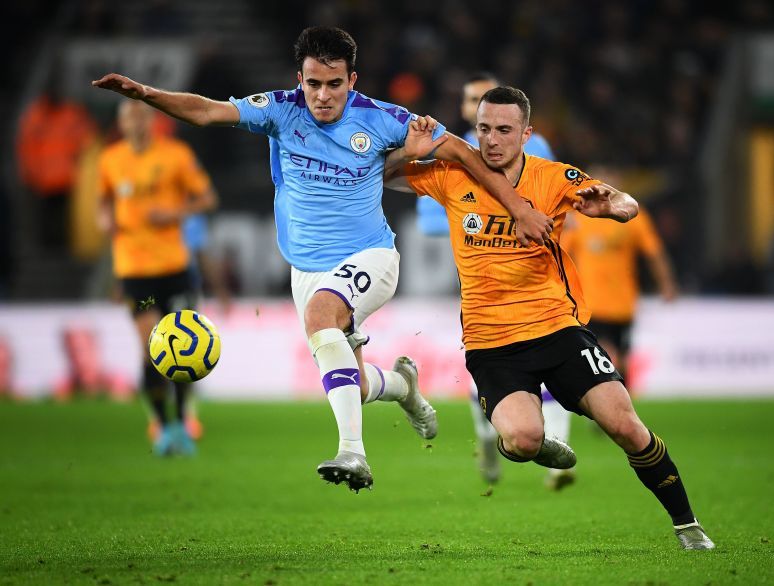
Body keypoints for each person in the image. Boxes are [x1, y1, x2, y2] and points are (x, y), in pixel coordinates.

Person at [92, 26, 556, 492]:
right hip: (307, 270)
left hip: (372, 257)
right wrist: (146, 93)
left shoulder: (384, 118)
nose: (322, 95)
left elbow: (460, 151)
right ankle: (402, 387)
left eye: (334, 84)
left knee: (321, 320)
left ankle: (352, 452)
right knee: (348, 377)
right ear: (300, 78)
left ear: (353, 79)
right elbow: (208, 111)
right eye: (313, 84)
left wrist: (516, 207)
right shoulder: (279, 109)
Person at [385, 86, 714, 550]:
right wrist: (408, 152)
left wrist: (613, 206)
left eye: (504, 130)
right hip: (491, 344)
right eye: (483, 130)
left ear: (526, 133)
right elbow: (375, 174)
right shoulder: (450, 173)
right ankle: (527, 446)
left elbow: (625, 203)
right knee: (522, 440)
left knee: (624, 425)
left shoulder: (553, 177)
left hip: (558, 328)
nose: (492, 140)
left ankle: (688, 524)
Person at [416, 72, 574, 490]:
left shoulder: (533, 149)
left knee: (554, 370)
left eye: (478, 98)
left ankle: (558, 462)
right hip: (479, 280)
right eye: (469, 99)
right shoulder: (452, 156)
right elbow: (433, 221)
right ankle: (490, 439)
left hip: (537, 281)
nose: (472, 106)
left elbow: (558, 199)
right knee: (494, 375)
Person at [96, 100, 217, 456]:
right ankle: (162, 426)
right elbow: (102, 203)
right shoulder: (110, 160)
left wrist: (176, 212)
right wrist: (104, 220)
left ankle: (183, 420)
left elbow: (208, 198)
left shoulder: (176, 155)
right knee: (153, 348)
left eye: (142, 116)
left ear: (152, 120)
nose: (137, 123)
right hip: (135, 273)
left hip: (175, 269)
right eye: (129, 117)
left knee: (184, 349)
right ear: (121, 124)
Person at [561, 182, 678, 383]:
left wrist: (667, 284)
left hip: (623, 304)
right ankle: (610, 399)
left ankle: (619, 401)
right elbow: (561, 254)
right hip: (591, 303)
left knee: (622, 359)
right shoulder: (579, 218)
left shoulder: (633, 217)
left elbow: (653, 252)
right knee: (606, 354)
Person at [16, 66, 97, 251]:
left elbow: (87, 139)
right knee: (45, 219)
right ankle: (48, 249)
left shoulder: (70, 113)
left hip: (65, 178)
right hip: (43, 179)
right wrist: (29, 173)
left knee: (63, 218)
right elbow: (26, 147)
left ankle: (60, 249)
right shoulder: (36, 115)